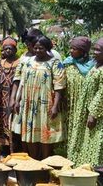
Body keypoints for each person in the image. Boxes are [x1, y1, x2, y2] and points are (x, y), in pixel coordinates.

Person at [14, 36, 66, 160]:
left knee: (45, 133)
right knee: (30, 132)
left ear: (47, 48)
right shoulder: (28, 61)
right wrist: (17, 100)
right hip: (28, 103)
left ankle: (45, 162)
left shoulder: (55, 63)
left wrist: (55, 106)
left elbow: (59, 86)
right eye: (35, 48)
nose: (37, 51)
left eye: (41, 48)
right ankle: (34, 161)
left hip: (46, 103)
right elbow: (21, 80)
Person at [69, 37, 103, 166]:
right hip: (86, 110)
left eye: (98, 50)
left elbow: (102, 93)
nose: (94, 52)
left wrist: (93, 114)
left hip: (97, 114)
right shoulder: (97, 65)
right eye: (94, 49)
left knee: (94, 141)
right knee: (83, 140)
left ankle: (94, 171)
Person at [64, 37, 95, 161]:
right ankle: (70, 157)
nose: (71, 51)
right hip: (70, 104)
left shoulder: (92, 66)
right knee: (71, 131)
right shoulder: (68, 63)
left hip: (85, 105)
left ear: (83, 51)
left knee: (83, 131)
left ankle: (83, 158)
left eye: (74, 49)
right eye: (70, 48)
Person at [0, 38, 19, 155]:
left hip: (13, 97)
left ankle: (15, 150)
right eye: (5, 49)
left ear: (15, 49)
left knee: (12, 122)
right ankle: (2, 149)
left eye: (10, 48)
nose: (7, 51)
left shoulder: (20, 63)